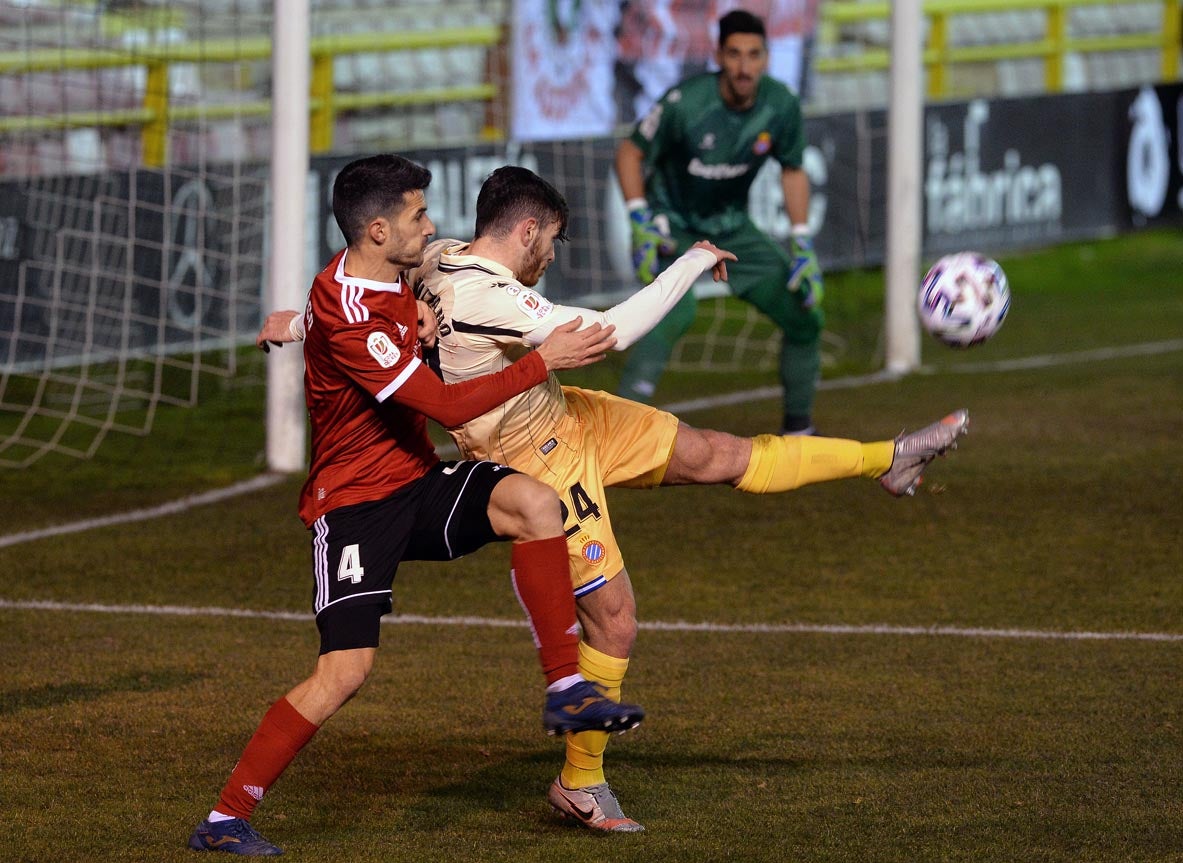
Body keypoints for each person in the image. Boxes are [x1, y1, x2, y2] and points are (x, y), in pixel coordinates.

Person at [258, 165, 969, 835]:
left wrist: (293, 325)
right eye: (553, 242)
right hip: (534, 458)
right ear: (528, 232)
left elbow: (358, 298)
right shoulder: (484, 292)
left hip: (564, 413)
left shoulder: (434, 255)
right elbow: (613, 331)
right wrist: (690, 263)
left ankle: (889, 458)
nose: (552, 258)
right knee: (615, 621)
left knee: (715, 452)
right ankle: (580, 780)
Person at [188, 155, 646, 857]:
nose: (430, 226)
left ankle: (566, 688)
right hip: (356, 508)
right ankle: (224, 817)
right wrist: (539, 360)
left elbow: (346, 321)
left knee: (535, 503)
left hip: (416, 479)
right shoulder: (351, 317)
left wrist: (291, 324)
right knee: (345, 672)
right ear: (376, 230)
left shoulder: (388, 275)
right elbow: (442, 402)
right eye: (417, 215)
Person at [615, 8, 824, 435]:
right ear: (718, 56)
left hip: (732, 230)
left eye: (753, 55)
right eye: (734, 55)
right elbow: (629, 152)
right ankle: (612, 430)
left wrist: (802, 242)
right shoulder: (685, 103)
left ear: (766, 57)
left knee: (804, 315)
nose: (744, 67)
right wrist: (640, 218)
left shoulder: (780, 105)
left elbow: (793, 168)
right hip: (673, 224)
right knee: (675, 312)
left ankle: (799, 430)